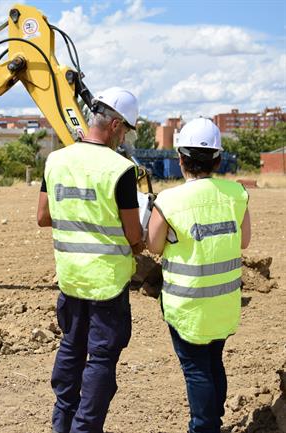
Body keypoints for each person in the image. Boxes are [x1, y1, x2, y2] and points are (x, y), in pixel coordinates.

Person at [37, 87, 144, 433]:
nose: (124, 136)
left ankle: (62, 423)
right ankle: (85, 428)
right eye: (125, 129)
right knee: (100, 359)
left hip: (71, 279)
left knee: (71, 347)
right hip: (107, 284)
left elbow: (42, 216)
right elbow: (132, 234)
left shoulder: (56, 160)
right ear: (114, 125)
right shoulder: (120, 169)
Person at [147, 118, 251, 433]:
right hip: (224, 304)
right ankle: (212, 420)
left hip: (187, 307)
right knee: (213, 361)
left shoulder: (169, 200)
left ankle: (204, 427)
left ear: (180, 159)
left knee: (196, 370)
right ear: (218, 160)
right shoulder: (237, 193)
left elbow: (153, 245)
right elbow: (243, 241)